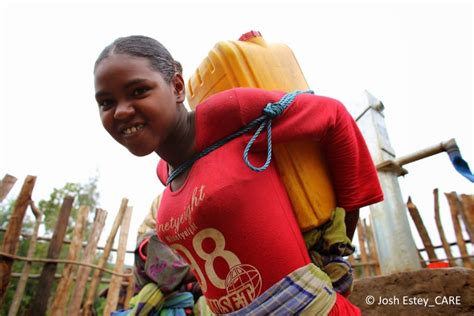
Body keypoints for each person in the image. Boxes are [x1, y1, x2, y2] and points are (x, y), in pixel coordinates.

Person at [94, 35, 384, 315]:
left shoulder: (228, 117)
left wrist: (341, 231)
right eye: (106, 102)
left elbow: (332, 115)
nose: (120, 111)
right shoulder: (166, 173)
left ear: (178, 86)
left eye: (138, 91)